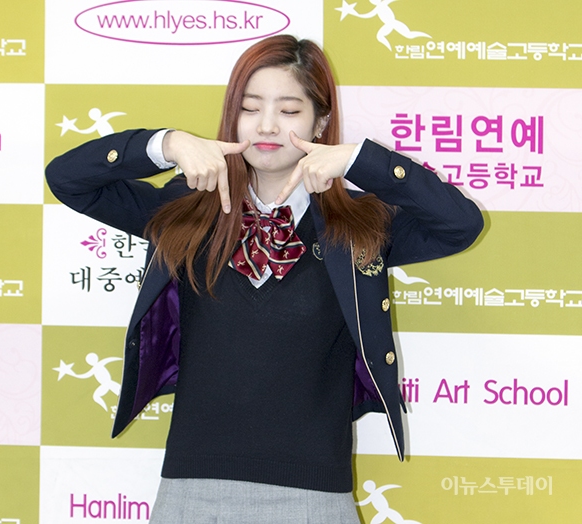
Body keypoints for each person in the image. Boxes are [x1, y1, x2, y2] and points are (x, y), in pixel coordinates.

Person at [46, 35, 483, 524]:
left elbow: (461, 224)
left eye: (289, 110)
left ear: (320, 122)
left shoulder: (358, 225)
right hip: (192, 491)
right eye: (250, 108)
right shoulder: (185, 211)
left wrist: (361, 161)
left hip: (315, 496)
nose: (267, 125)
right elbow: (67, 179)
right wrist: (166, 144)